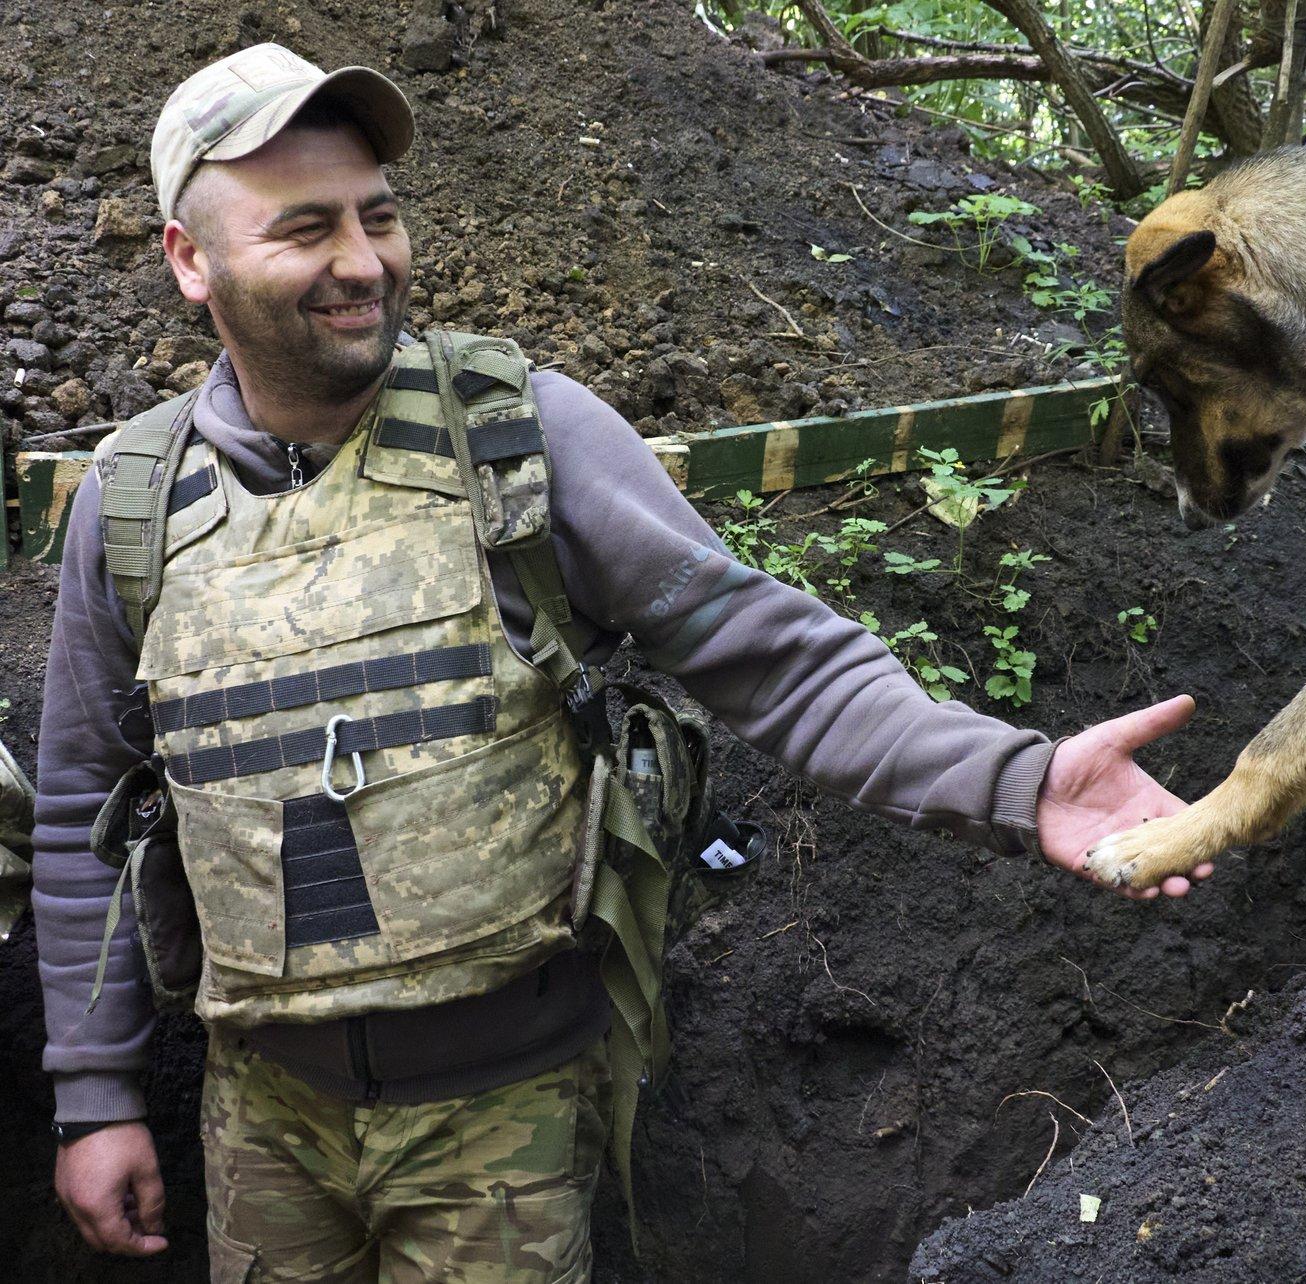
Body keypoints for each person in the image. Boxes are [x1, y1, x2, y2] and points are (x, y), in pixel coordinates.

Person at [33, 43, 1210, 1281]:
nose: (361, 261)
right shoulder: (133, 506)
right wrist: (95, 1096)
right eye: (305, 228)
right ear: (188, 260)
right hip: (260, 1123)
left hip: (505, 1121)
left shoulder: (518, 437)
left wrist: (1020, 783)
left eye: (378, 215)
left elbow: (781, 662)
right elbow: (83, 815)